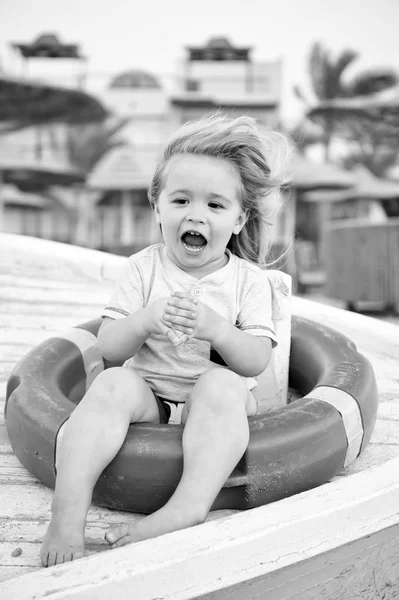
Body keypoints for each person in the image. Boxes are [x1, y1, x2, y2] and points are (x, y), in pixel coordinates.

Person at [40, 112, 290, 567]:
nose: (196, 214)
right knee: (111, 385)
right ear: (158, 207)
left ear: (239, 220)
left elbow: (256, 362)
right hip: (152, 396)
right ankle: (68, 509)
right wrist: (144, 320)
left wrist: (217, 329)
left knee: (221, 385)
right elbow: (111, 351)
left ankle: (187, 507)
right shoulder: (142, 268)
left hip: (215, 404)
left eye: (215, 206)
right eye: (181, 201)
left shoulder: (248, 283)